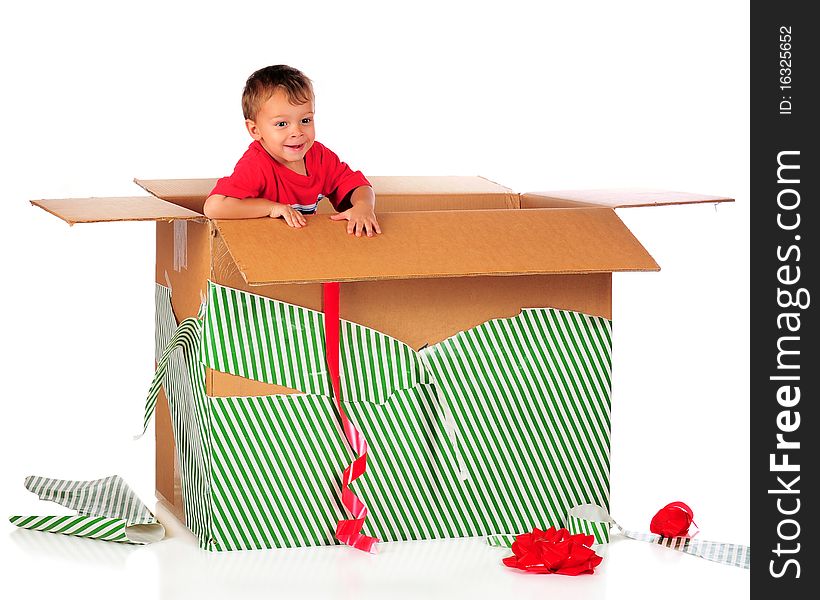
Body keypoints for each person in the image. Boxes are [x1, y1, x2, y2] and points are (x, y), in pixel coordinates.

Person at [203, 65, 381, 237]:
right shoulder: (256, 165)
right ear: (255, 130)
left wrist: (363, 206)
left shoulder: (319, 156)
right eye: (282, 124)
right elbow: (214, 207)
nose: (297, 132)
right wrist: (272, 208)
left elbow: (357, 184)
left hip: (302, 248)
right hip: (262, 250)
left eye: (305, 120)